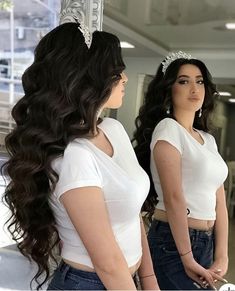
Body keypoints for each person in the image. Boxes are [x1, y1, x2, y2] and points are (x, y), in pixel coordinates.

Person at [2, 22, 159, 290]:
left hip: (123, 280)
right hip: (90, 283)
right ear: (89, 77)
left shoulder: (113, 129)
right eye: (116, 71)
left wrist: (148, 279)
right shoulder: (74, 155)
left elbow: (133, 215)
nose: (125, 78)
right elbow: (106, 261)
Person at [133, 51, 229, 290]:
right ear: (169, 90)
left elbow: (220, 202)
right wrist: (186, 257)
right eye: (183, 81)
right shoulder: (168, 129)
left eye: (199, 81)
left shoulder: (208, 139)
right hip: (173, 241)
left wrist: (222, 254)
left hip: (204, 241)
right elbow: (175, 197)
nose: (194, 88)